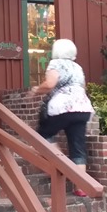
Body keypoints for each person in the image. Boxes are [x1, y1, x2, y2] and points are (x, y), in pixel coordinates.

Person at [29, 39, 95, 197]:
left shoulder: (56, 63)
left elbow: (50, 84)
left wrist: (36, 90)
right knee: (77, 146)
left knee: (43, 135)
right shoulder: (77, 67)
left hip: (62, 108)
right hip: (82, 108)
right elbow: (83, 87)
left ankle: (59, 163)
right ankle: (81, 187)